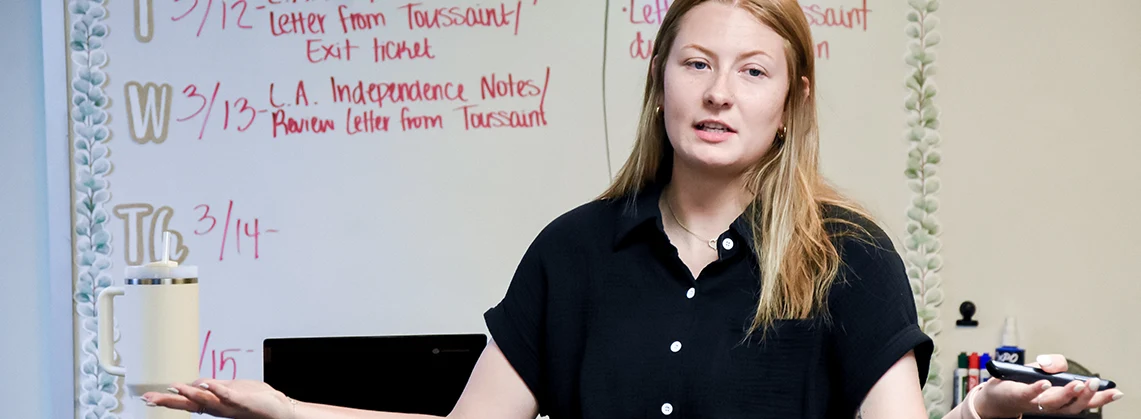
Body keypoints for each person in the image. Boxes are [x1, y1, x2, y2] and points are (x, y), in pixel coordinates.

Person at [142, 0, 1125, 418]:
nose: (718, 92)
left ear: (790, 103)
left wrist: (983, 410)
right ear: (660, 83)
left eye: (751, 71)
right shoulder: (571, 253)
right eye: (696, 64)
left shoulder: (848, 256)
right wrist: (291, 407)